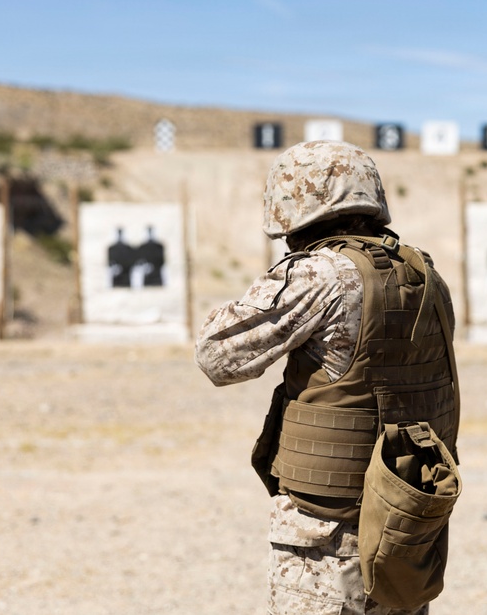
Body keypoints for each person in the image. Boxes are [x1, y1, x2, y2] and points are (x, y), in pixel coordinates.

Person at [195, 140, 461, 615]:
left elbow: (218, 355)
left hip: (328, 535)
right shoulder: (424, 274)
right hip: (404, 526)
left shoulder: (322, 274)